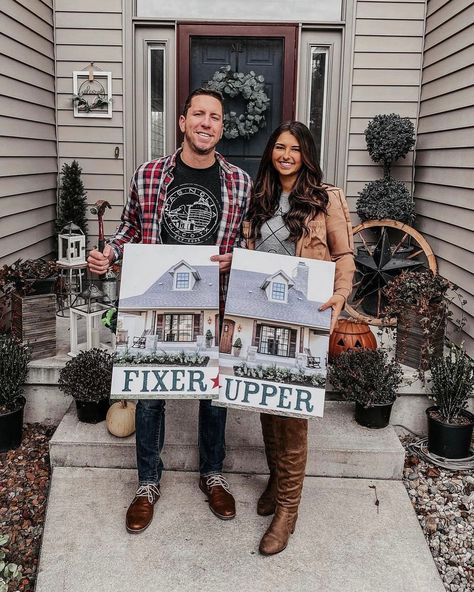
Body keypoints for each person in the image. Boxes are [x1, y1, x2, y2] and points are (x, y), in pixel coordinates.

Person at [88, 88, 252, 533]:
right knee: (150, 392)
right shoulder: (149, 175)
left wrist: (239, 259)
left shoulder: (239, 181)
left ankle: (212, 474)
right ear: (182, 122)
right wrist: (110, 254)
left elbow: (242, 242)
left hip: (214, 301)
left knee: (214, 395)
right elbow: (129, 230)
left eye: (215, 117)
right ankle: (147, 482)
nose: (206, 122)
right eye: (198, 114)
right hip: (158, 298)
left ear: (222, 127)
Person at [242, 121, 355, 555]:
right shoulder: (261, 196)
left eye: (294, 148)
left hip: (304, 313)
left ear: (306, 154)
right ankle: (275, 479)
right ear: (271, 152)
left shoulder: (327, 198)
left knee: (292, 411)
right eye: (279, 147)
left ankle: (288, 510)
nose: (285, 155)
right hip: (261, 308)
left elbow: (344, 254)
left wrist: (341, 295)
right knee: (267, 403)